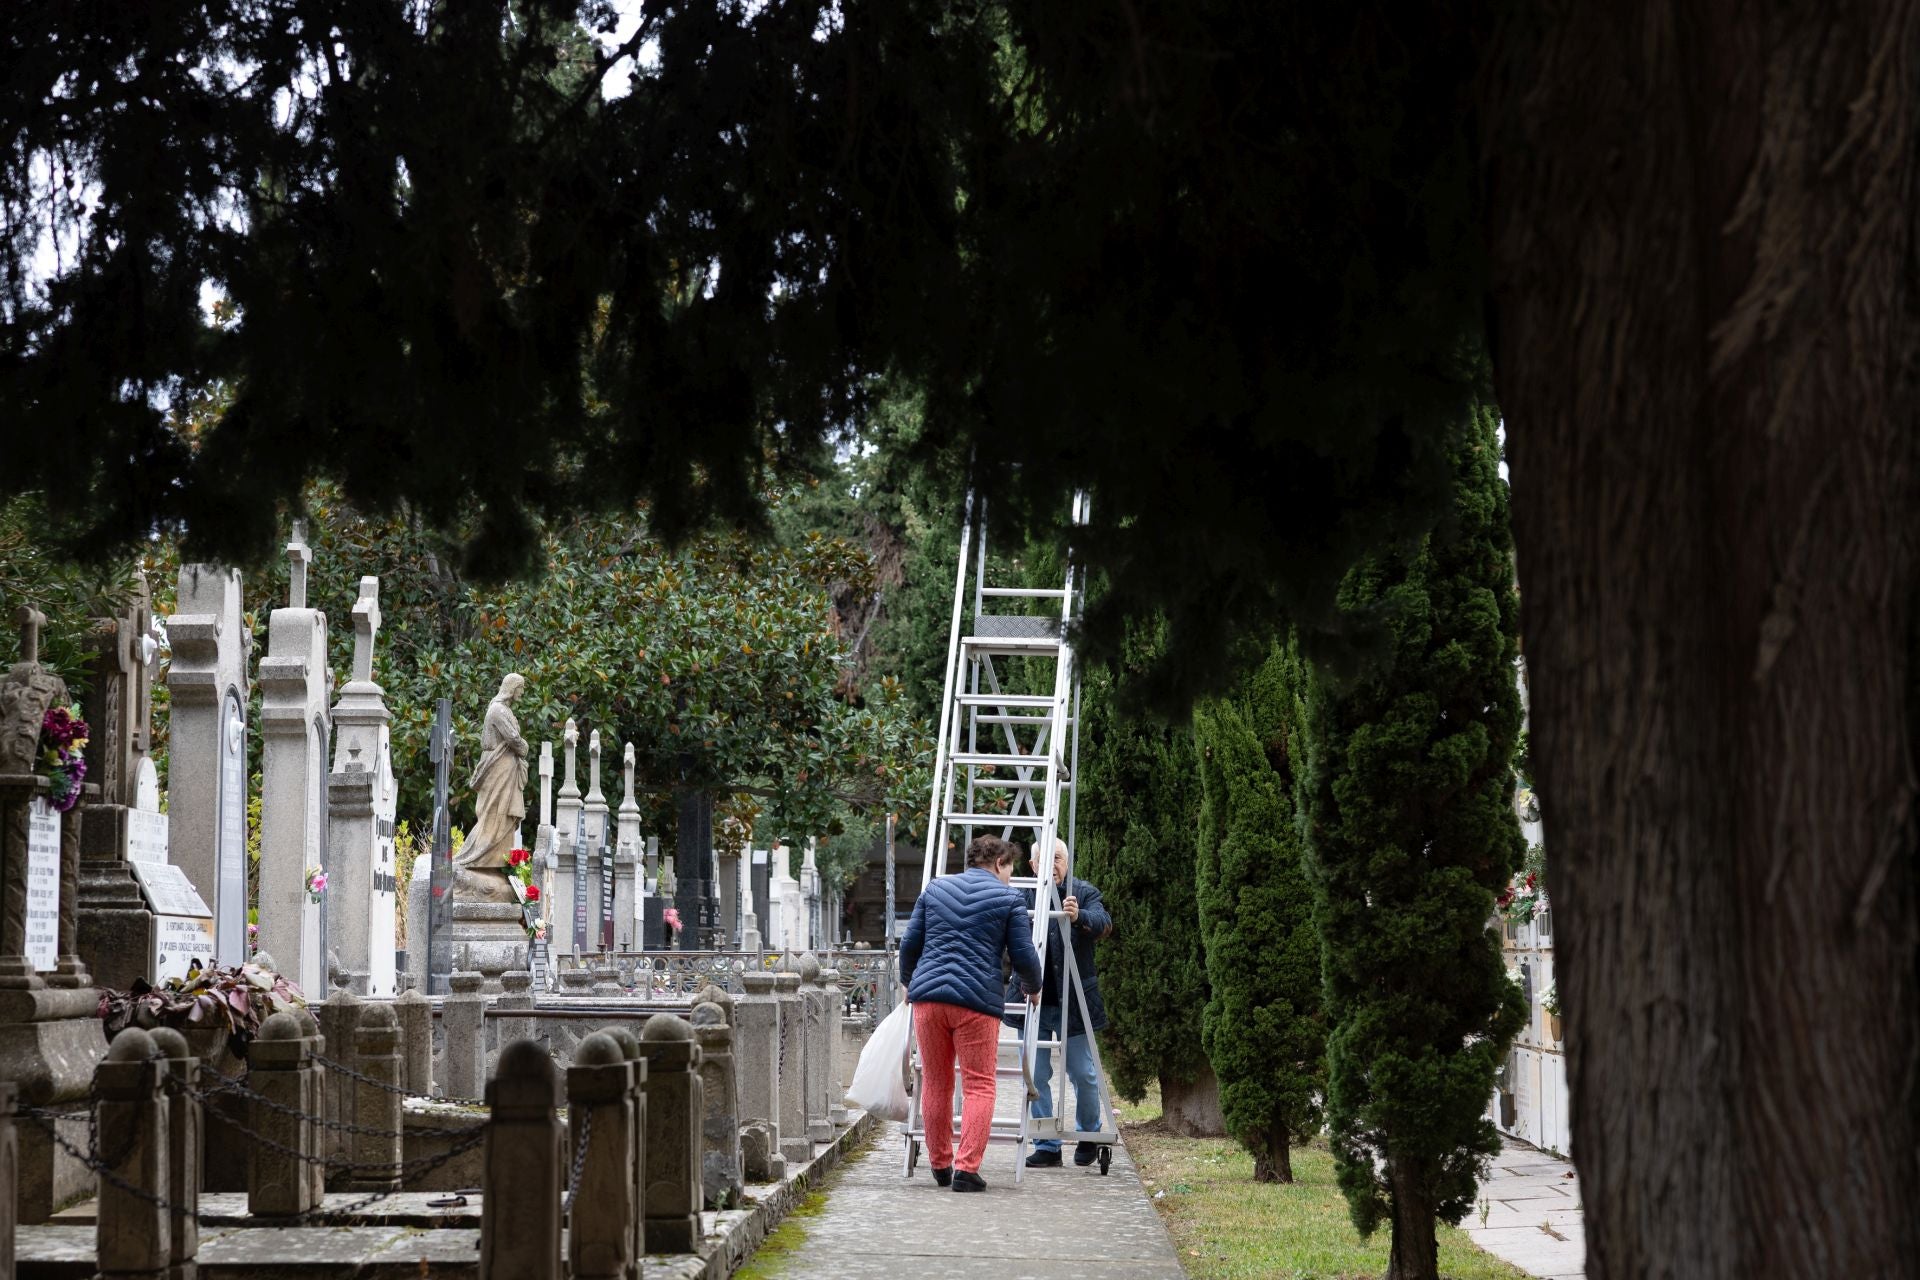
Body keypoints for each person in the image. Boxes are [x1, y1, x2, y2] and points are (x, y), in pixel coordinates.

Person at [898, 834, 1043, 1192]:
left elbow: (910, 944)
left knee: (935, 1080)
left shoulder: (934, 889)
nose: (1010, 876)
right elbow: (1023, 954)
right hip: (976, 1003)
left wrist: (908, 981)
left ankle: (939, 1164)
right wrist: (1033, 986)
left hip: (928, 1000)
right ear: (999, 864)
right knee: (979, 1083)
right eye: (1009, 868)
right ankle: (966, 1169)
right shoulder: (1007, 898)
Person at [1018, 838, 1113, 1168]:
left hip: (1075, 1002)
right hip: (1033, 1002)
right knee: (1035, 1075)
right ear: (1033, 866)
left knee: (1083, 1073)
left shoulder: (1083, 891)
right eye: (1046, 860)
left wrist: (1080, 916)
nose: (1053, 865)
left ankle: (1090, 1134)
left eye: (1058, 858)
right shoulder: (1021, 895)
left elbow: (1104, 923)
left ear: (1067, 863)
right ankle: (1047, 1144)